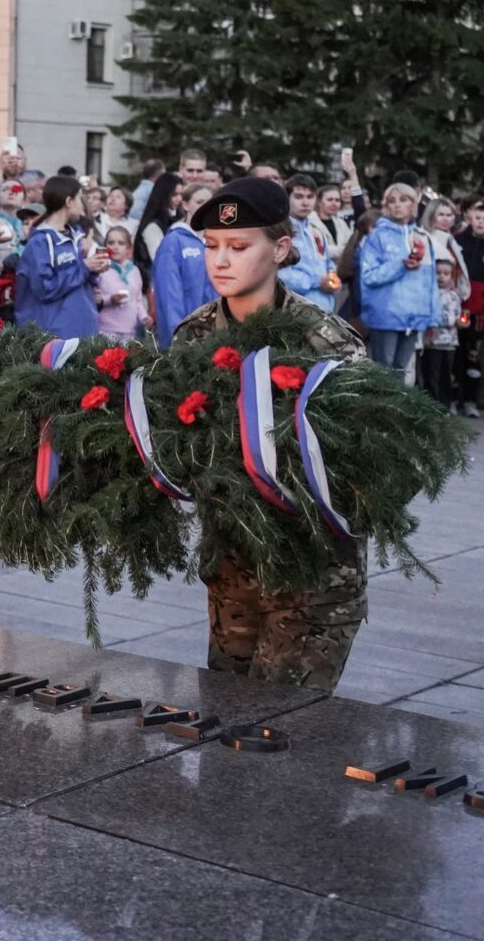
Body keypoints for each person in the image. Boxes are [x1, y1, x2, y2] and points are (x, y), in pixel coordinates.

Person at [170, 176, 369, 691]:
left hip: (312, 577)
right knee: (225, 718)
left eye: (238, 247)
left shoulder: (323, 341)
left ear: (281, 249)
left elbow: (368, 456)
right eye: (211, 246)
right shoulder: (193, 336)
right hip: (232, 573)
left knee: (282, 733)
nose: (220, 260)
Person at [358, 183, 436, 375]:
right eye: (392, 201)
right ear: (386, 206)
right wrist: (400, 266)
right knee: (383, 368)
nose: (397, 205)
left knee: (401, 369)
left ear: (413, 205)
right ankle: (378, 406)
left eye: (403, 200)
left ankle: (396, 407)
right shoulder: (377, 236)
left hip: (415, 315)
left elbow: (431, 281)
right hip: (386, 314)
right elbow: (369, 276)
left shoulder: (422, 237)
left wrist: (432, 318)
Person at [15, 176, 107, 340]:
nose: (83, 205)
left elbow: (78, 280)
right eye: (80, 198)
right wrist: (85, 267)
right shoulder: (40, 242)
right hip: (56, 334)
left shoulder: (76, 235)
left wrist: (94, 269)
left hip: (83, 328)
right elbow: (45, 288)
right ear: (69, 201)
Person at [454, 203, 484, 418]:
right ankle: (453, 398)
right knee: (455, 354)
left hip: (480, 310)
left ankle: (471, 400)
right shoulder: (457, 242)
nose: (481, 222)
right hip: (457, 307)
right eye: (478, 218)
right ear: (470, 219)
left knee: (473, 355)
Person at [152, 185, 215, 335]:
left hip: (215, 329)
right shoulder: (174, 241)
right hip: (187, 331)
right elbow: (169, 292)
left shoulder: (216, 240)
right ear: (185, 205)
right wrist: (178, 332)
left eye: (209, 202)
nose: (205, 207)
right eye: (200, 202)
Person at [280, 176, 333, 311]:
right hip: (295, 310)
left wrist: (332, 276)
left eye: (310, 197)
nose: (305, 202)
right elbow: (280, 274)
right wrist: (316, 282)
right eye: (298, 197)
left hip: (324, 308)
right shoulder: (281, 231)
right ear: (288, 198)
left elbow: (326, 263)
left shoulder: (316, 231)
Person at [420, 260, 462, 409]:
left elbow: (457, 315)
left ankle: (445, 405)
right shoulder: (429, 293)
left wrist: (460, 322)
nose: (441, 277)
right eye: (438, 273)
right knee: (432, 375)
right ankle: (432, 405)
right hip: (433, 342)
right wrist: (449, 321)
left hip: (450, 342)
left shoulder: (454, 296)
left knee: (446, 375)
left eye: (446, 273)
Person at [94, 225, 147, 339]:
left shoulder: (134, 270)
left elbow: (137, 300)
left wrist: (144, 317)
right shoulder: (101, 269)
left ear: (129, 248)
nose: (115, 247)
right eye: (111, 243)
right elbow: (94, 299)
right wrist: (109, 300)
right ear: (105, 246)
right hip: (106, 330)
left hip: (129, 331)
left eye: (121, 243)